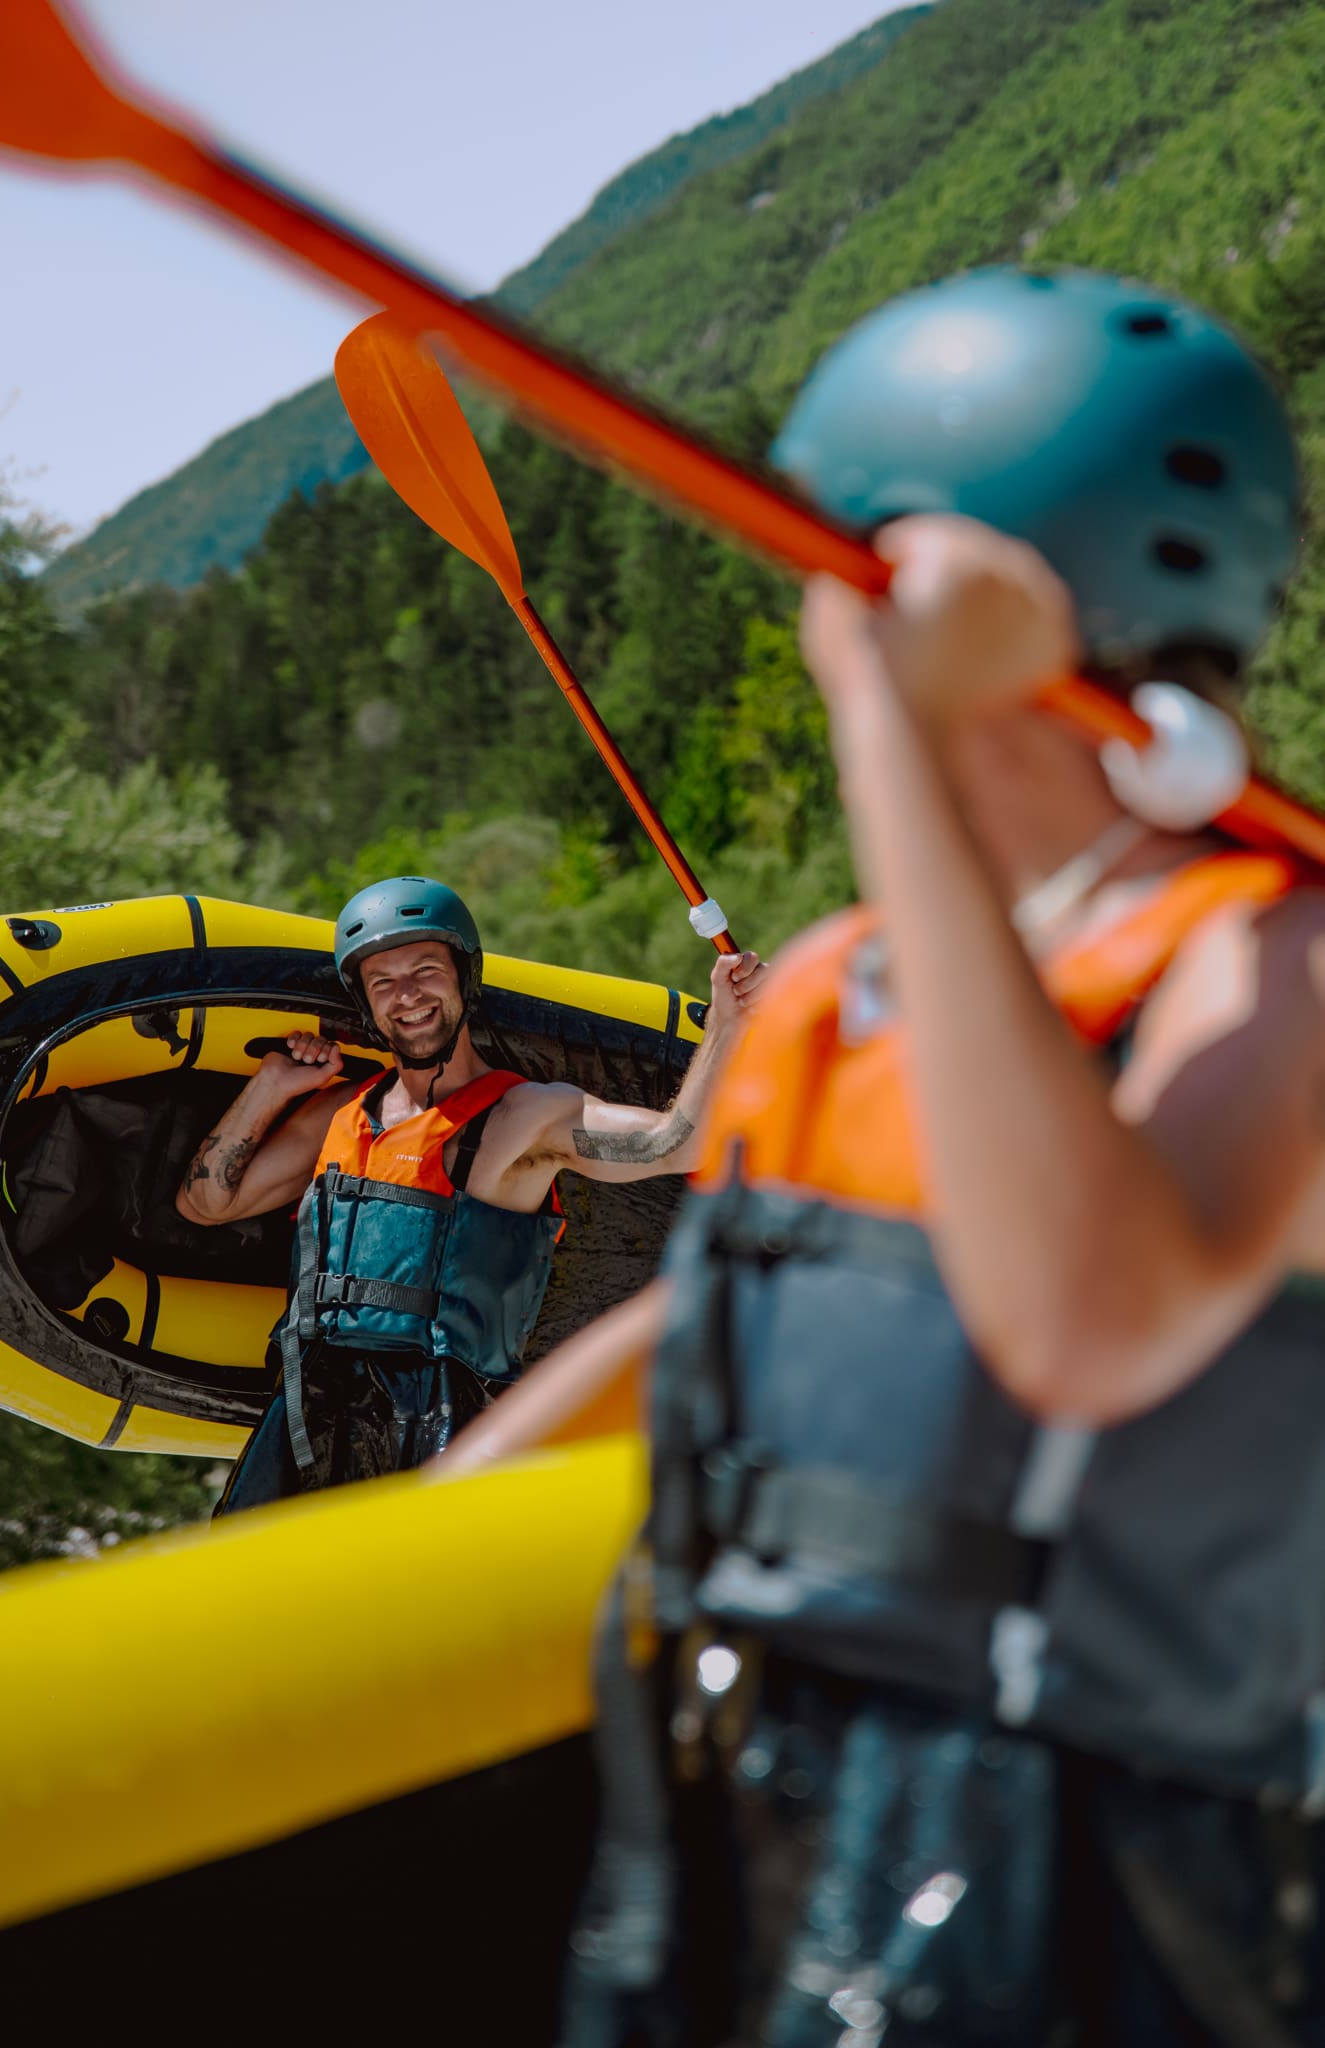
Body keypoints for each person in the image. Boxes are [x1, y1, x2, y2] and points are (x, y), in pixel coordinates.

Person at [441, 269, 1325, 2045]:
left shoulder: (1271, 970)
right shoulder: (843, 979)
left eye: (829, 591)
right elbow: (725, 1316)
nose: (809, 632)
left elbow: (1087, 1320)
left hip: (1140, 1888)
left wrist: (900, 734)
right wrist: (428, 1530)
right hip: (757, 1800)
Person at [176, 874, 763, 1512]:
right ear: (367, 1004)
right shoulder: (341, 1112)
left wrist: (726, 1025)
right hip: (307, 1421)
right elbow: (208, 1202)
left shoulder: (523, 1118)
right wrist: (272, 1087)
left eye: (425, 970)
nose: (407, 996)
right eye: (383, 983)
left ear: (463, 979)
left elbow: (679, 1144)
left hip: (448, 1426)